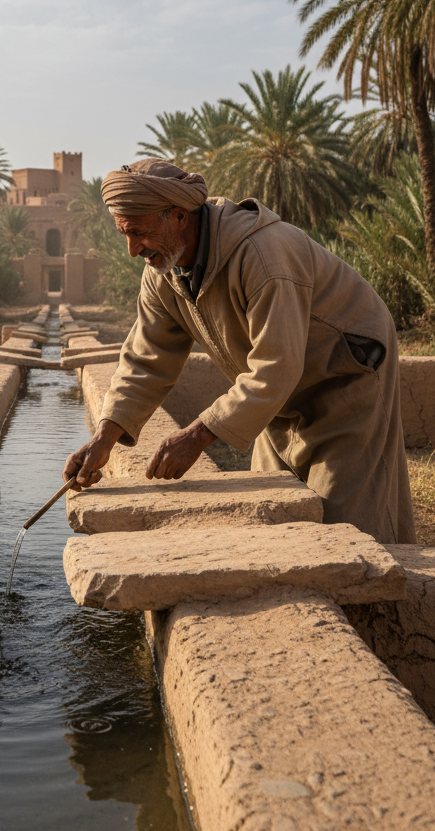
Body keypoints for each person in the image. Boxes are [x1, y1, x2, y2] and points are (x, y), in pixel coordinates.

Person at [62, 159, 416, 544]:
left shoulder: (264, 255)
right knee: (272, 521)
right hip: (280, 394)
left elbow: (276, 368)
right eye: (124, 235)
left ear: (179, 216)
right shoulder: (162, 273)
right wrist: (104, 439)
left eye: (139, 233)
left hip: (345, 374)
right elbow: (146, 360)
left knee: (345, 527)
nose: (132, 250)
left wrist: (197, 436)